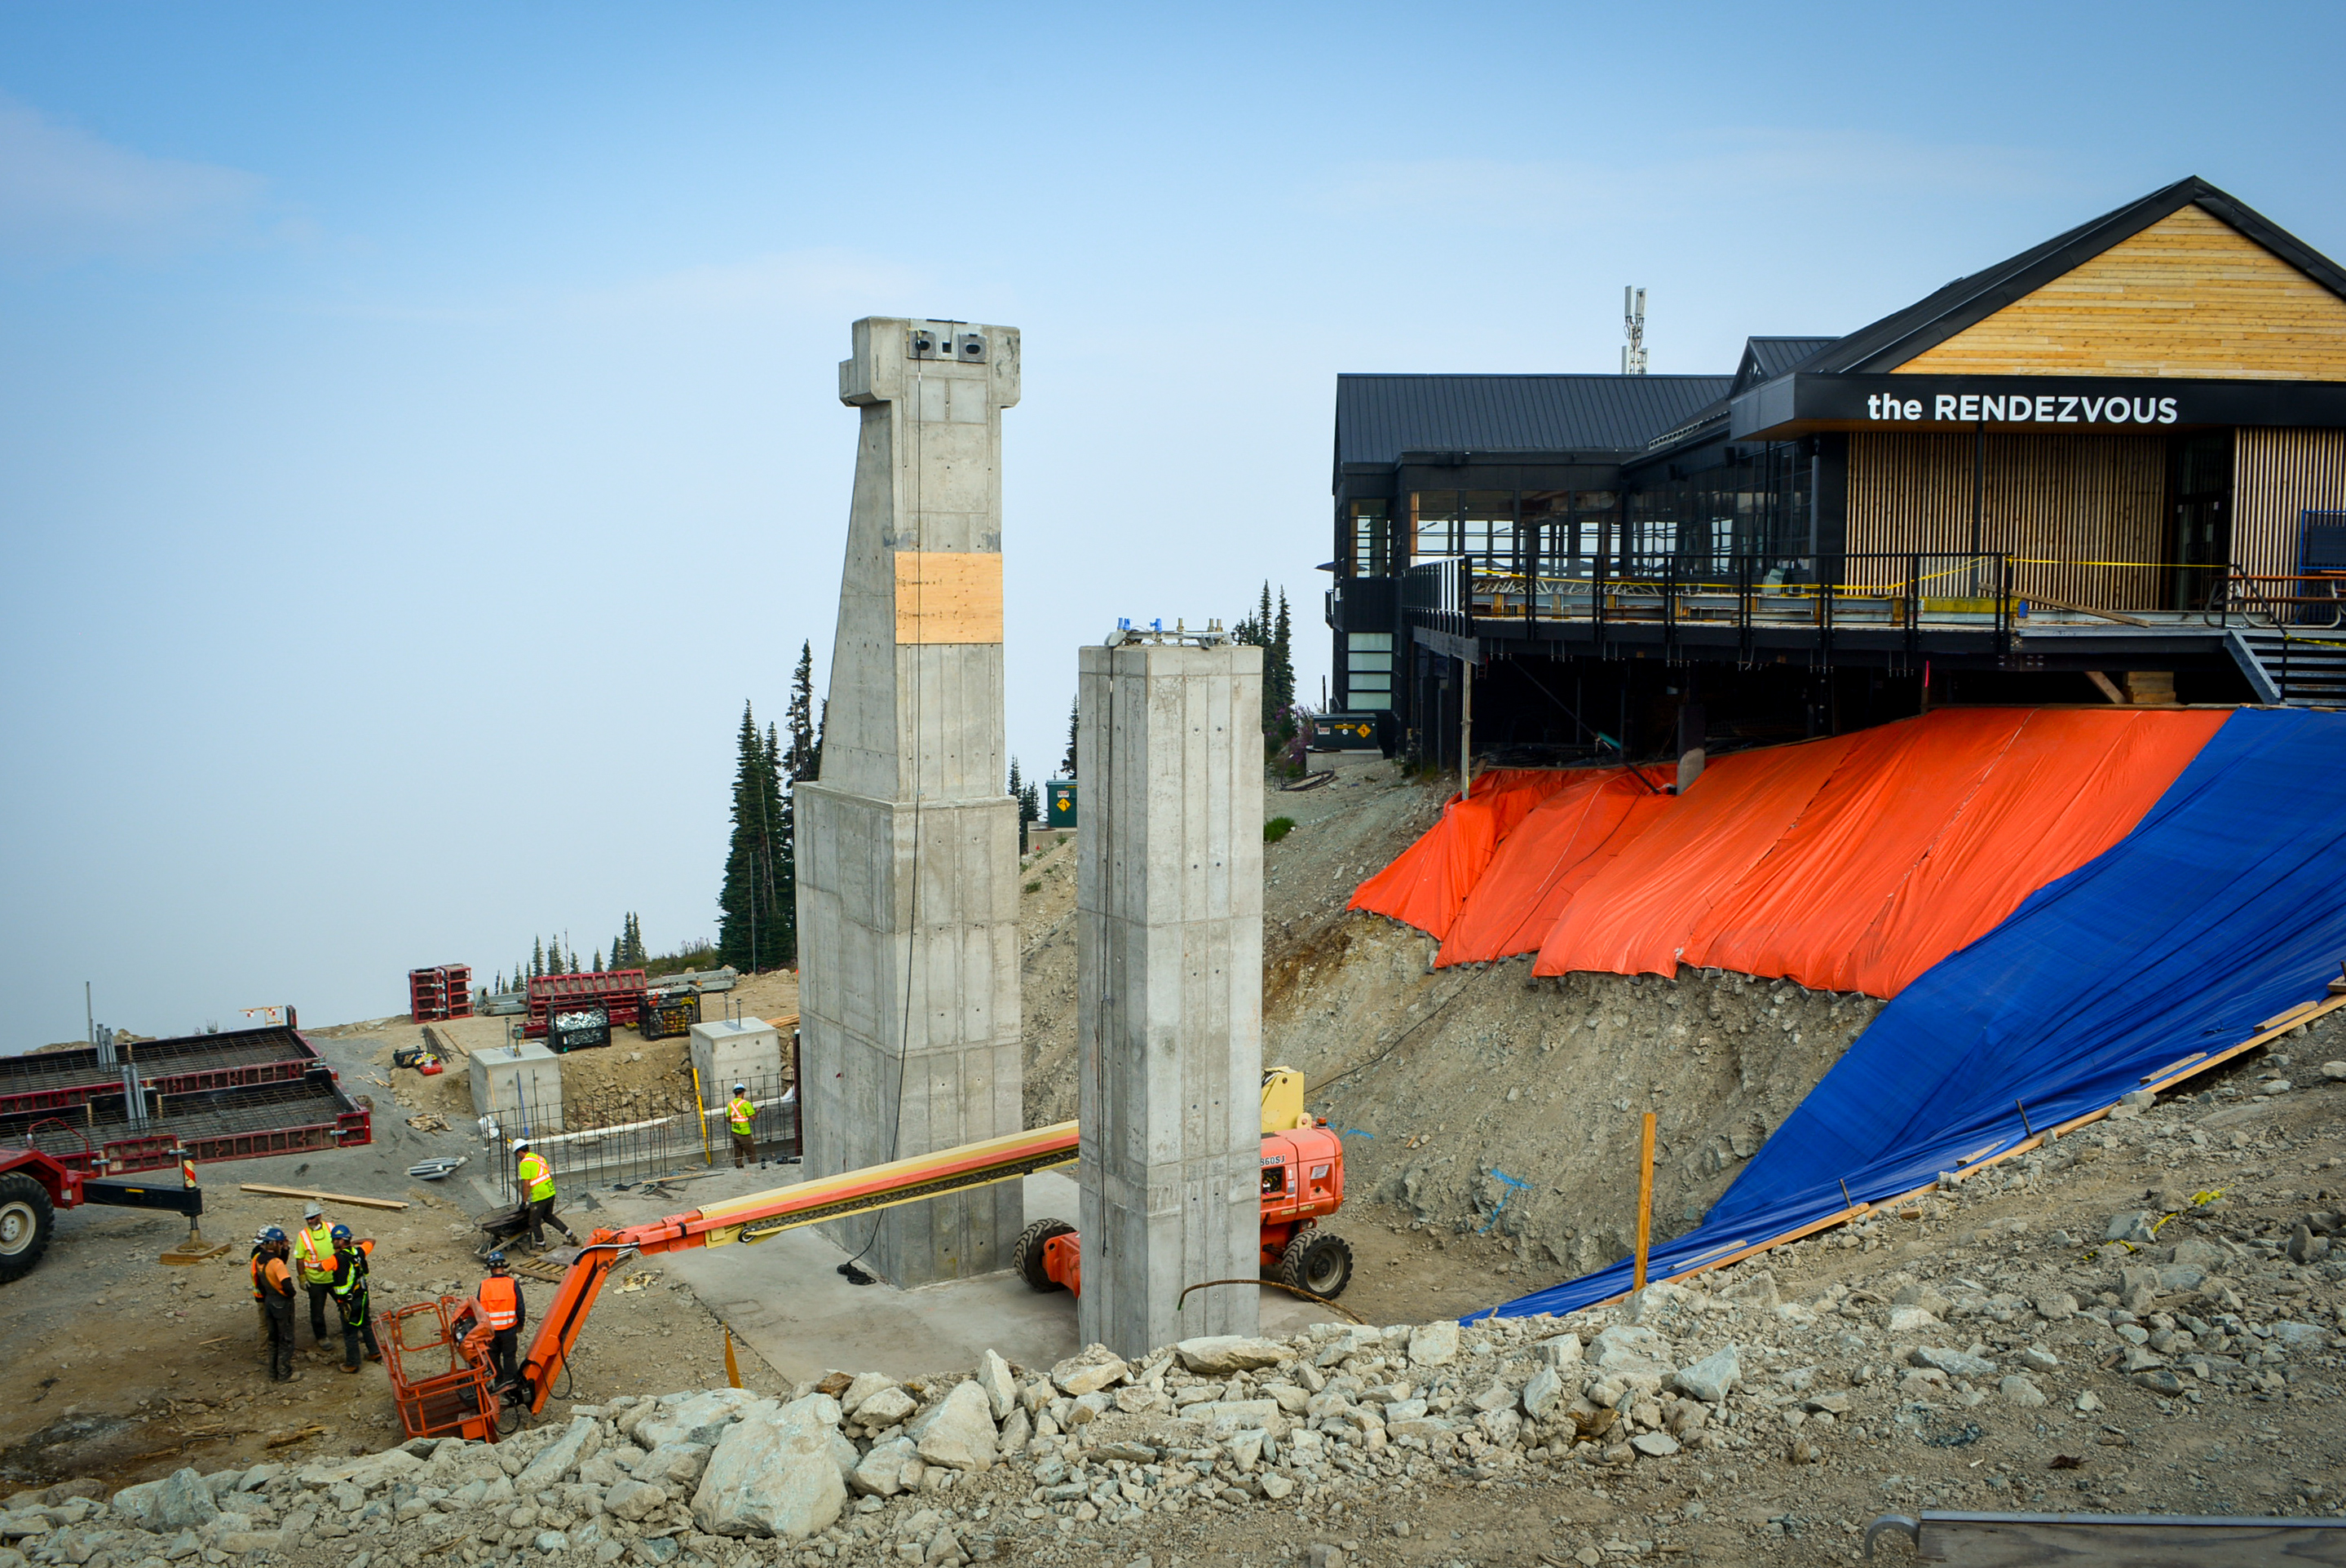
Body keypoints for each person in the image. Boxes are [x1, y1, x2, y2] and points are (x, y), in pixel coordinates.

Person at [328, 1224, 381, 1374]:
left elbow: (319, 1268)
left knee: (350, 1333)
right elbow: (372, 1240)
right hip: (362, 1297)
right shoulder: (359, 1252)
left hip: (347, 1303)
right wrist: (356, 1242)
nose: (332, 1243)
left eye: (334, 1240)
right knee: (366, 1324)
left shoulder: (335, 1259)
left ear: (338, 1241)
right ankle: (374, 1352)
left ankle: (352, 1364)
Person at [474, 1250, 527, 1393]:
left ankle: (498, 1384)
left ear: (490, 1268)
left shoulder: (484, 1285)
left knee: (493, 1358)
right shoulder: (512, 1284)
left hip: (490, 1332)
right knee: (510, 1357)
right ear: (503, 1266)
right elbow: (520, 1308)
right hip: (509, 1330)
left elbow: (479, 1310)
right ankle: (512, 1385)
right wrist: (521, 1324)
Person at [291, 1202, 338, 1352]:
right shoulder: (303, 1235)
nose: (310, 1221)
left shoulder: (331, 1228)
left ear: (319, 1216)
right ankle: (322, 1337)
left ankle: (353, 1329)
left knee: (346, 1305)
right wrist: (302, 1278)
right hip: (316, 1281)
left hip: (335, 1277)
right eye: (307, 1219)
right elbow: (299, 1259)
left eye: (312, 1218)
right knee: (317, 1312)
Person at [512, 1139, 575, 1249]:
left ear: (519, 1152)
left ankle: (540, 1245)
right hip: (550, 1192)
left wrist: (524, 1202)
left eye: (517, 1154)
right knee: (548, 1216)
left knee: (534, 1222)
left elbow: (526, 1184)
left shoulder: (525, 1163)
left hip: (540, 1195)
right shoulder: (539, 1158)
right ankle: (570, 1234)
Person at [256, 1227, 299, 1383]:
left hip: (268, 1301)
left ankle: (273, 1372)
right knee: (286, 1339)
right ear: (273, 1243)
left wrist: (286, 1249)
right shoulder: (276, 1263)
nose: (281, 1246)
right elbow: (287, 1285)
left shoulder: (260, 1259)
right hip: (281, 1302)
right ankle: (284, 1373)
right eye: (280, 1243)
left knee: (273, 1338)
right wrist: (290, 1294)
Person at [727, 1084, 758, 1168]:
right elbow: (753, 1118)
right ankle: (755, 1169)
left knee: (738, 1153)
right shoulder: (746, 1104)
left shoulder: (731, 1104)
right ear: (743, 1092)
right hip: (745, 1133)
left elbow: (728, 1118)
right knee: (751, 1153)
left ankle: (738, 1168)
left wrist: (735, 1124)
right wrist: (757, 1111)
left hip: (735, 1131)